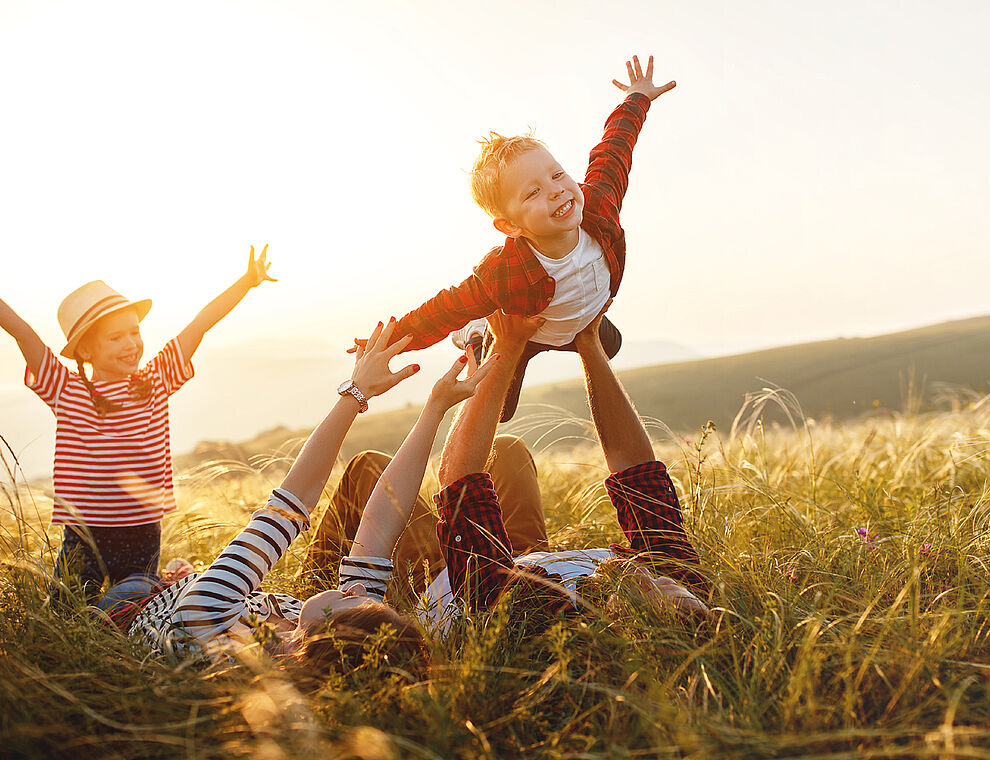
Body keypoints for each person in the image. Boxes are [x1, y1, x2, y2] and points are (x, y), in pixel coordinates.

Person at [315, 307, 710, 651]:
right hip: (526, 559)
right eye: (684, 592)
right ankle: (491, 349)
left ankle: (311, 608)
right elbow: (634, 468)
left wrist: (508, 349)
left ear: (629, 624)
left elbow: (458, 478)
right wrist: (589, 342)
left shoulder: (538, 616)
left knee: (367, 467)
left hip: (446, 577)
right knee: (508, 450)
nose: (652, 575)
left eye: (656, 592)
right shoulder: (674, 573)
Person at [120, 319, 480, 664]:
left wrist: (357, 391)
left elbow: (290, 505)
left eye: (358, 603)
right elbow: (379, 525)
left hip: (137, 598)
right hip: (200, 586)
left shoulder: (205, 623)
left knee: (126, 583)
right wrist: (435, 408)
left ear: (323, 639)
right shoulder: (315, 630)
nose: (359, 593)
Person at [354, 55, 677, 422]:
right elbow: (444, 309)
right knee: (499, 410)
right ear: (510, 227)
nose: (556, 191)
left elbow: (613, 151)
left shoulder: (598, 206)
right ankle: (477, 335)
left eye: (557, 175)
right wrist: (387, 343)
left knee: (612, 346)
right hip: (530, 329)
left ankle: (575, 327)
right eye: (532, 192)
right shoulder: (503, 274)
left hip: (581, 315)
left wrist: (637, 97)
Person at [0, 247, 276, 603]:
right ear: (85, 351)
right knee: (66, 611)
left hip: (142, 530)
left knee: (133, 610)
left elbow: (200, 324)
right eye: (116, 338)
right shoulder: (66, 390)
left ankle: (163, 586)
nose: (131, 344)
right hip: (84, 532)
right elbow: (24, 334)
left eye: (134, 332)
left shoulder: (157, 380)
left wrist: (247, 282)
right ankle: (166, 582)